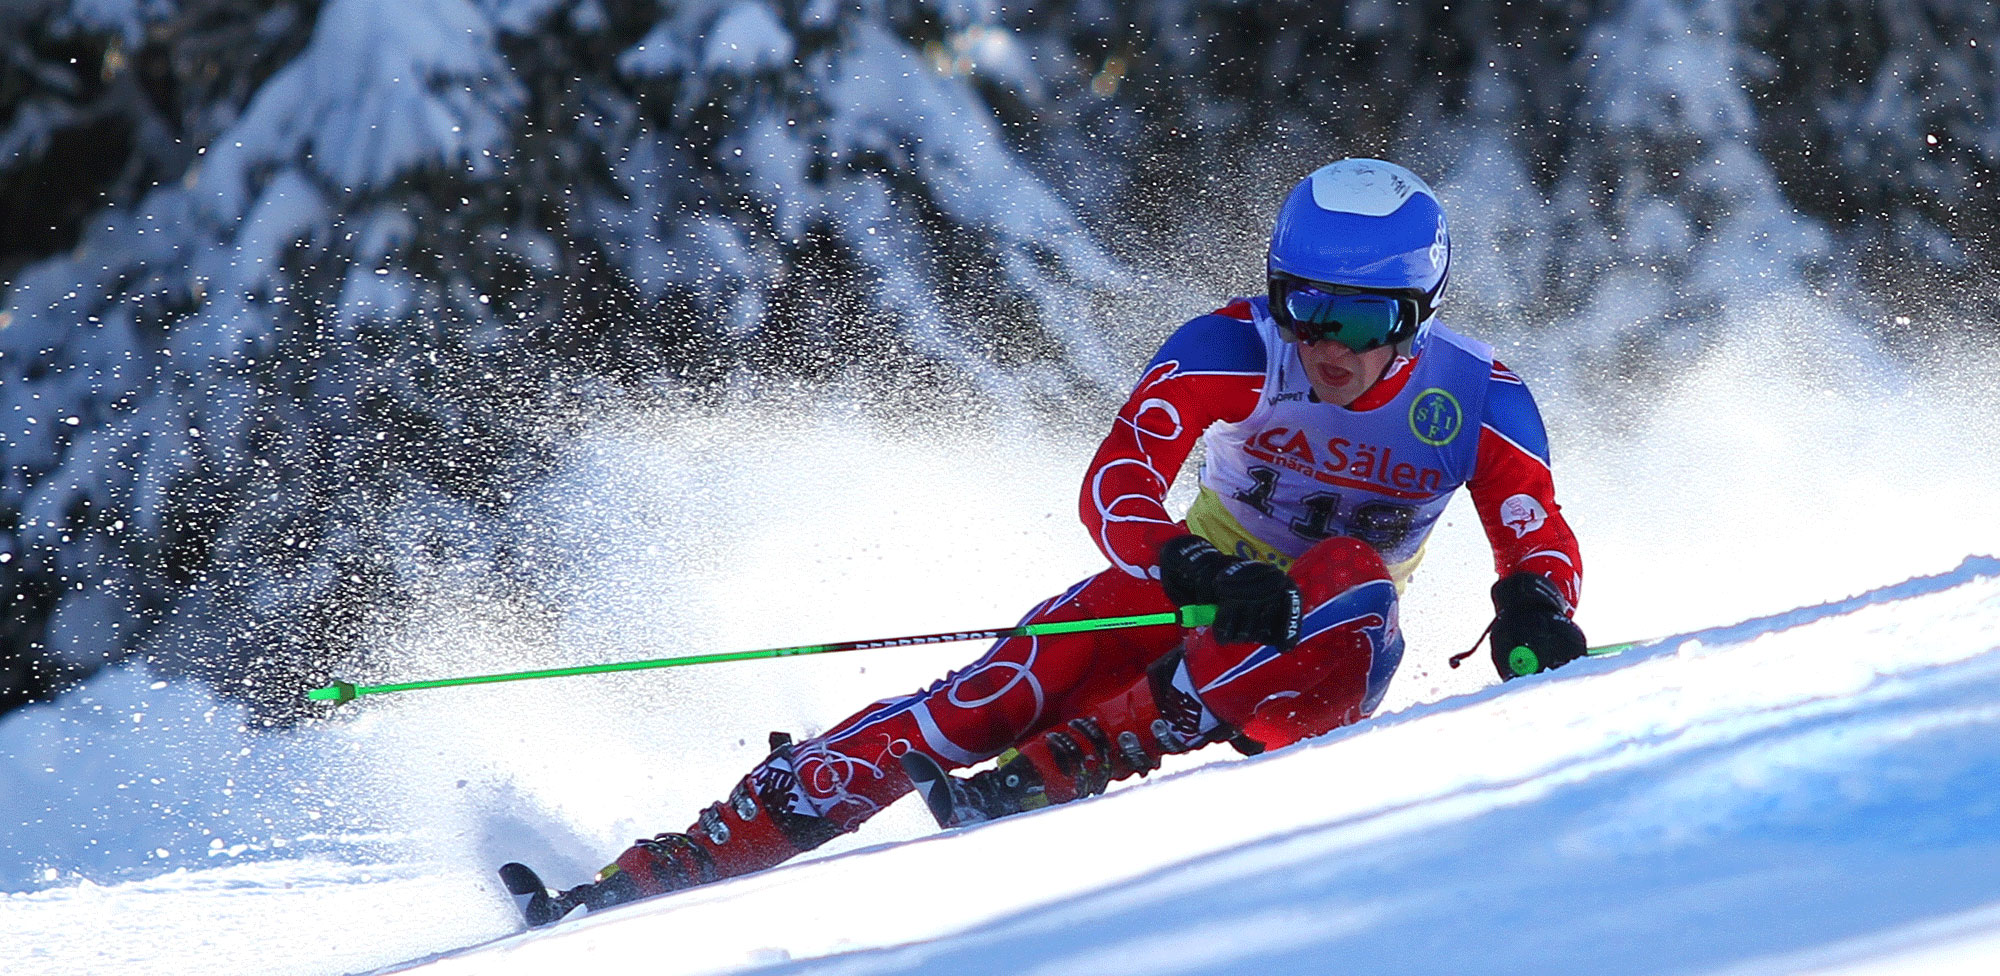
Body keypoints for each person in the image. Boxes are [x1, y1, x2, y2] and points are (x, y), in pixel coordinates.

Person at [500, 158, 1586, 927]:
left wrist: (1535, 605)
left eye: (1362, 321)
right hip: (1190, 601)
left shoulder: (1474, 395)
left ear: (1417, 311)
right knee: (979, 699)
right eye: (1304, 306)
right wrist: (1183, 562)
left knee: (1345, 574)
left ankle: (1088, 755)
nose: (1326, 345)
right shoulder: (1232, 347)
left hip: (1321, 661)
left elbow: (1533, 532)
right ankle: (667, 865)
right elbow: (1118, 475)